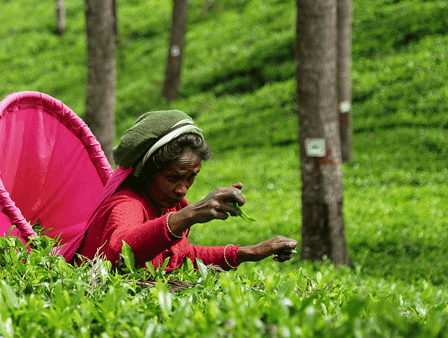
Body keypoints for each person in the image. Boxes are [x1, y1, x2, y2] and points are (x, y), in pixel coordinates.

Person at [69, 110, 298, 272]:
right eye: (173, 178)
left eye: (191, 177)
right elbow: (119, 252)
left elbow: (181, 256)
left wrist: (249, 253)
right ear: (145, 173)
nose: (181, 189)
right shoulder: (128, 204)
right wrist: (190, 215)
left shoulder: (168, 204)